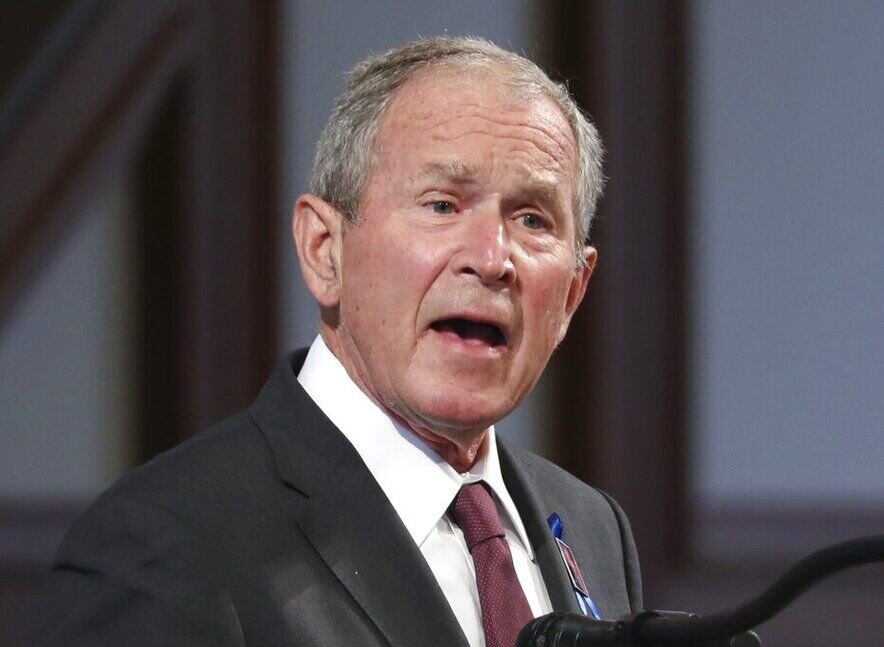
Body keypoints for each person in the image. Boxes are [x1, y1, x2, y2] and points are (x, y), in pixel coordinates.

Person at [33, 36, 642, 646]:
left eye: (532, 219)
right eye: (442, 205)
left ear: (572, 293)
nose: (491, 259)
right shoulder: (167, 543)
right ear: (325, 251)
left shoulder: (593, 529)